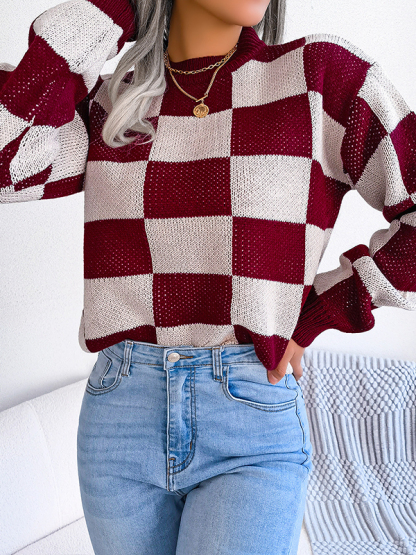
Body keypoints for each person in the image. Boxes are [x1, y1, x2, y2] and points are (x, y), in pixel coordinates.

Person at [1, 0, 415, 553]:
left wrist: (322, 311)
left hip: (250, 416)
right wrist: (117, 8)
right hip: (119, 419)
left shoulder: (317, 79)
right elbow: (6, 157)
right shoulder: (113, 105)